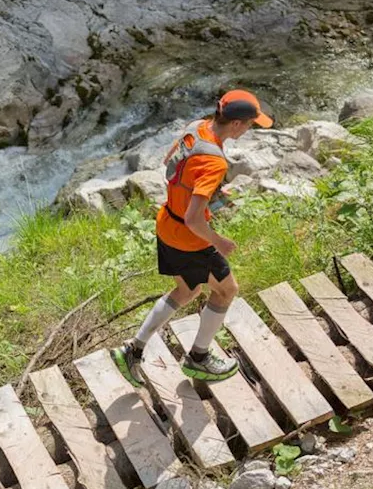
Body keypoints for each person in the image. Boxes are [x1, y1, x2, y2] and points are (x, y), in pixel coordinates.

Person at [111, 90, 273, 386]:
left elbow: (171, 165)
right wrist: (218, 241)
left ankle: (132, 352)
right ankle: (199, 359)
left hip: (167, 224)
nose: (250, 129)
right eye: (250, 124)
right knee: (226, 291)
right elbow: (194, 219)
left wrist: (210, 193)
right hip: (191, 238)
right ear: (236, 124)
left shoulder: (196, 128)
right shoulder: (215, 163)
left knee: (186, 292)